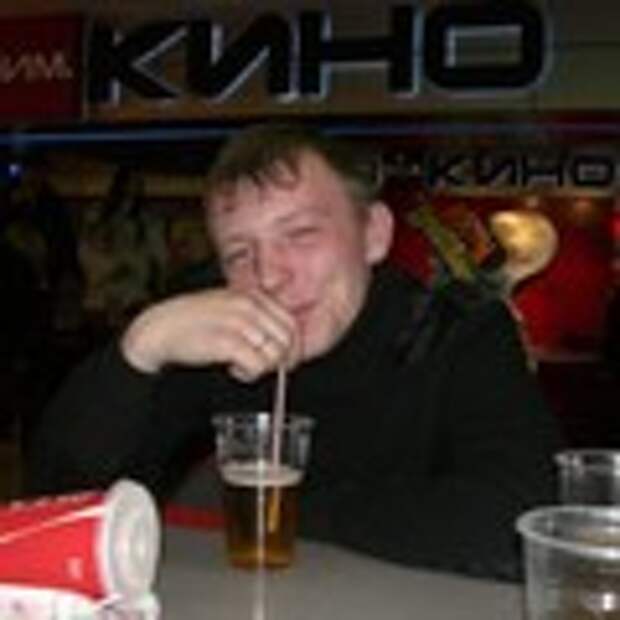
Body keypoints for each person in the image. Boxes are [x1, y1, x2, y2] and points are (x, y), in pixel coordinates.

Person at [24, 123, 561, 581]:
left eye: (301, 234)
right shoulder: (222, 332)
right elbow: (58, 501)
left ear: (373, 234)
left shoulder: (458, 332)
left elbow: (522, 522)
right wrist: (140, 347)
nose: (269, 276)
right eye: (240, 253)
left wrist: (288, 508)